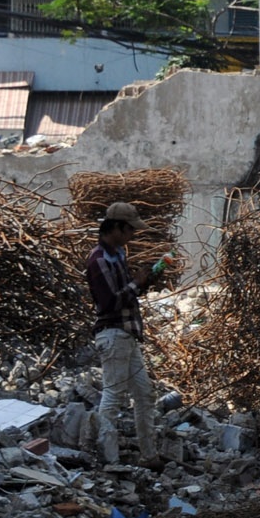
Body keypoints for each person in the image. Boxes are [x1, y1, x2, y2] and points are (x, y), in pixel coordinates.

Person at [84, 201, 162, 469]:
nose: (132, 235)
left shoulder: (117, 255)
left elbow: (128, 294)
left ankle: (149, 455)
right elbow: (110, 302)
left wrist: (144, 281)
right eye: (130, 229)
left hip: (127, 334)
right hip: (113, 334)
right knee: (113, 395)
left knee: (144, 394)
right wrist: (136, 283)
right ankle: (106, 458)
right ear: (116, 228)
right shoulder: (99, 259)